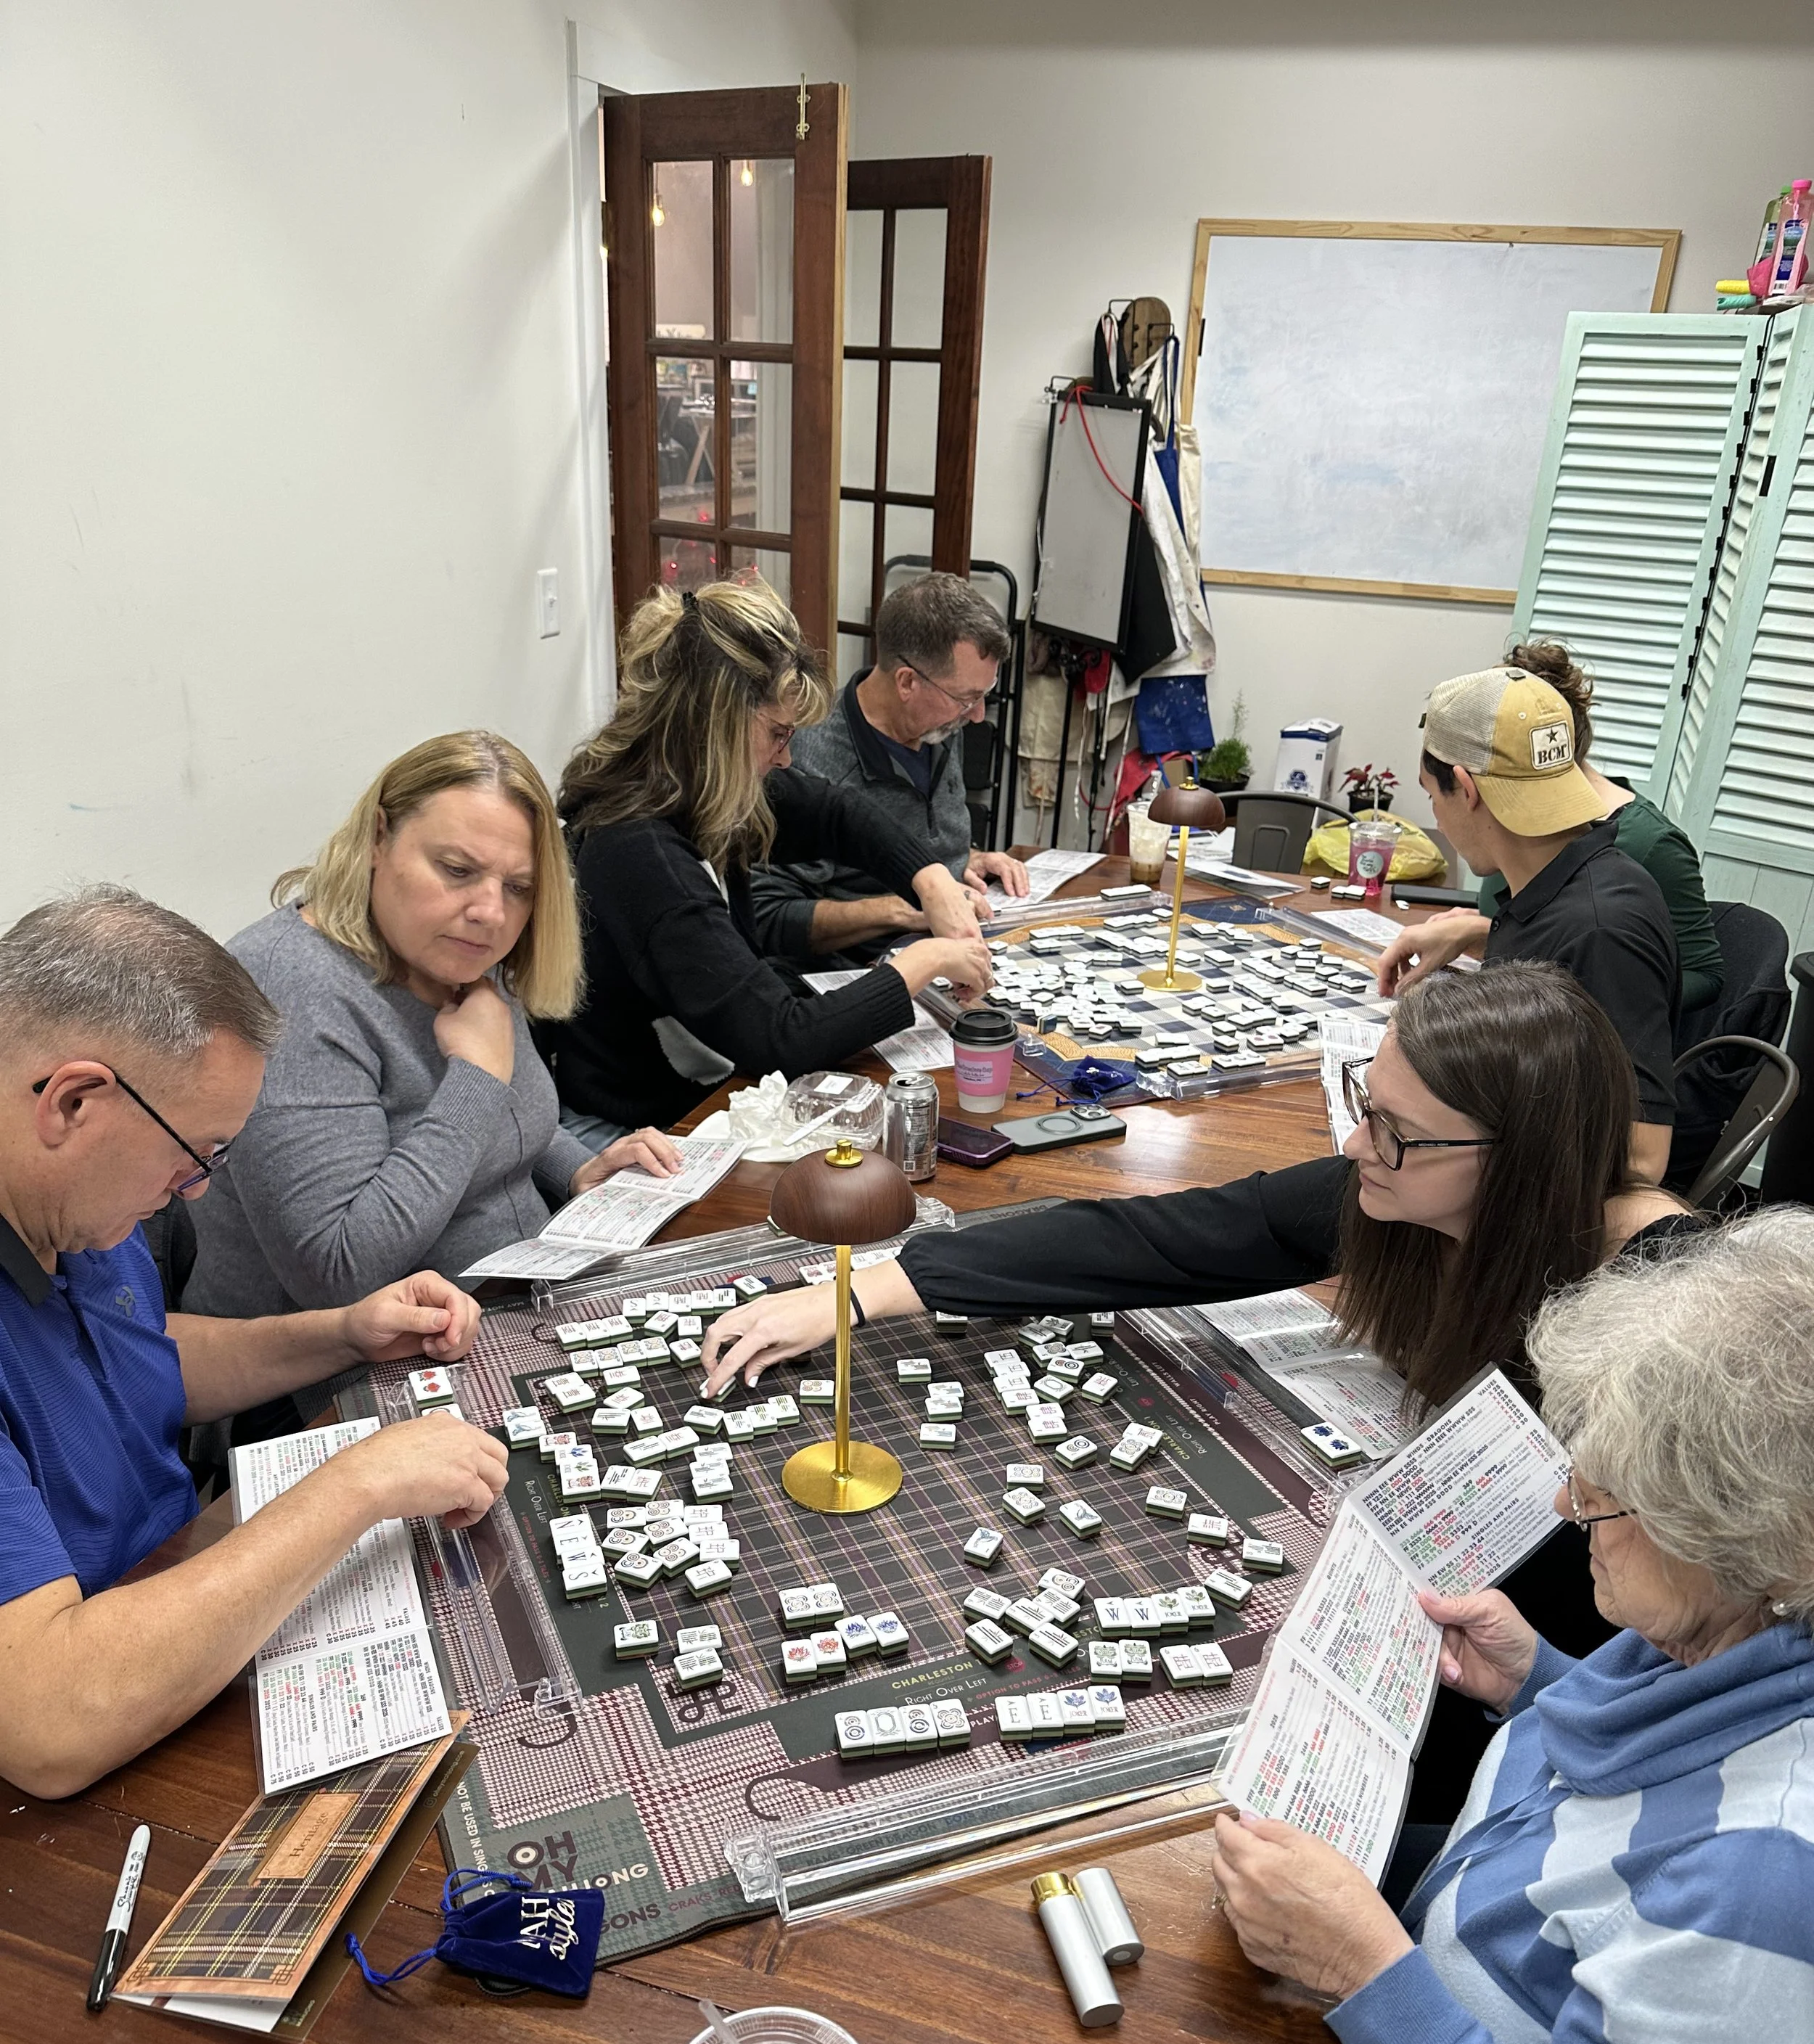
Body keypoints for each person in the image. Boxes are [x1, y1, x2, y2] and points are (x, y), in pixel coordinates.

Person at [701, 962, 1697, 1815]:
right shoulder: (1407, 1195)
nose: (1357, 1146)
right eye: (1366, 1104)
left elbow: (1673, 1653)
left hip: (1552, 1711)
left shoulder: (1671, 1325)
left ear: (1513, 1161)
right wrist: (866, 1292)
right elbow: (1168, 1239)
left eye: (1394, 1131)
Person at [1210, 1212, 1814, 2044]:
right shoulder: (1729, 1636)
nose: (1569, 1499)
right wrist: (1547, 1687)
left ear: (1734, 1536)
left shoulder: (1768, 1887)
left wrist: (1375, 1980)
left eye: (1610, 1492)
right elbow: (1654, 1807)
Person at [0, 888, 507, 1799]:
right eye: (195, 1154)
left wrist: (340, 1333)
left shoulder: (71, 1206)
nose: (198, 1189)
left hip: (178, 1595)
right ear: (73, 1101)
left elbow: (127, 1355)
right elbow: (51, 1721)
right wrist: (356, 1486)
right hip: (95, 1724)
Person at [184, 731, 681, 1323]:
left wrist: (576, 1169)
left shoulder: (454, 945)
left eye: (519, 887)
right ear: (378, 837)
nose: (491, 912)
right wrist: (475, 1076)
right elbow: (337, 1273)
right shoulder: (290, 987)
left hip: (515, 1293)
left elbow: (509, 1117)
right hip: (345, 1361)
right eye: (456, 869)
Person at [539, 580, 993, 1137]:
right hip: (642, 1126)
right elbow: (783, 1037)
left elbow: (834, 812)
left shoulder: (693, 779)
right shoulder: (638, 852)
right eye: (778, 734)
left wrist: (931, 880)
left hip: (709, 1091)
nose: (786, 758)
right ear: (715, 727)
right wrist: (927, 960)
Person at [1373, 662, 1680, 1183]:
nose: (1437, 817)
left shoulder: (1601, 933)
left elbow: (1641, 1160)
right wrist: (1478, 931)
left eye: (1431, 795)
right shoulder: (1557, 886)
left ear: (1465, 788)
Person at [749, 571, 1030, 966]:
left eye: (985, 696)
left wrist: (965, 858)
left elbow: (916, 828)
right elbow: (769, 916)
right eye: (968, 699)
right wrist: (909, 907)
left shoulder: (940, 726)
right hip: (863, 972)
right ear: (907, 683)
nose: (978, 715)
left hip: (961, 943)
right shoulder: (805, 758)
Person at [1473, 639, 1723, 1011]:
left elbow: (1705, 974)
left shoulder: (1651, 844)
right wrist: (1479, 934)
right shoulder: (1507, 819)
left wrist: (1570, 994)